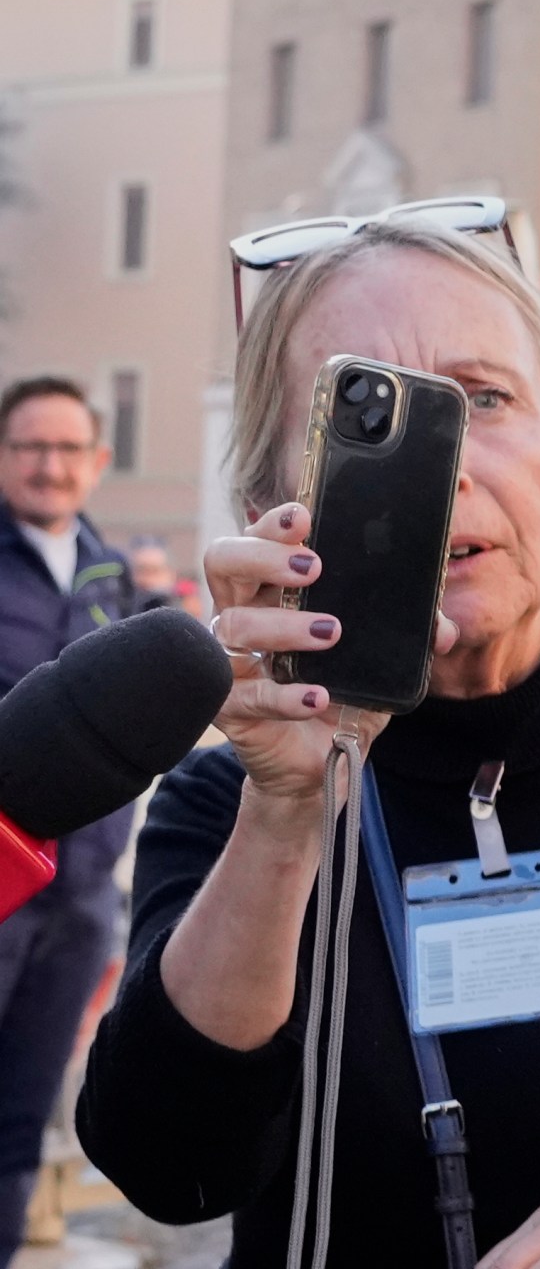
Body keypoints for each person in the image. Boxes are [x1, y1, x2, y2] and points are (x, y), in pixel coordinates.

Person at [76, 218, 540, 1269]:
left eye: (485, 399)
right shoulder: (226, 804)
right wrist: (287, 814)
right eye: (362, 414)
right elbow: (169, 1168)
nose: (443, 462)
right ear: (269, 511)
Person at [0, 376, 140, 1262]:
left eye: (66, 449)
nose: (49, 467)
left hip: (81, 896)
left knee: (22, 1117)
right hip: (1, 885)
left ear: (96, 462)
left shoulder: (110, 573)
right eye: (29, 448)